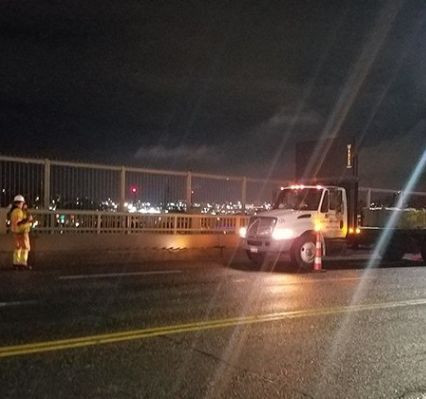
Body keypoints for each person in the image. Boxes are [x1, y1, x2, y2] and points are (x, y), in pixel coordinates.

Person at [8, 195, 33, 270]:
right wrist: (27, 220)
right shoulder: (18, 211)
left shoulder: (13, 211)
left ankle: (16, 263)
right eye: (22, 203)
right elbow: (19, 222)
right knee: (25, 248)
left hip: (16, 231)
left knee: (18, 248)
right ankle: (23, 263)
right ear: (19, 203)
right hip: (22, 231)